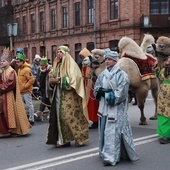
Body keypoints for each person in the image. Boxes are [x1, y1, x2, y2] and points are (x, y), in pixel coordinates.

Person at [94, 51, 138, 166]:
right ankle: (104, 152)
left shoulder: (122, 75)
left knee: (113, 133)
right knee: (104, 132)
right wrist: (99, 91)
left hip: (116, 110)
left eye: (109, 59)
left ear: (115, 60)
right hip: (104, 109)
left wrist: (107, 94)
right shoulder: (102, 74)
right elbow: (97, 87)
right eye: (106, 59)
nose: (107, 61)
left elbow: (121, 94)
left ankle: (111, 157)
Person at [46, 45, 89, 147]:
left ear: (65, 54)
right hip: (58, 95)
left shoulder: (71, 65)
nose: (58, 54)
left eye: (60, 52)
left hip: (69, 97)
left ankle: (80, 137)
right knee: (59, 117)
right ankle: (64, 140)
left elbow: (75, 79)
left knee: (69, 117)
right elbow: (52, 75)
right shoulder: (57, 64)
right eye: (57, 52)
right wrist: (51, 80)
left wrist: (60, 80)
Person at [0, 48, 31, 137]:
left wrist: (1, 88)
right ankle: (5, 130)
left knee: (11, 113)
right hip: (3, 95)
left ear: (8, 62)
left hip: (10, 96)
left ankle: (14, 130)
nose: (1, 62)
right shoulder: (3, 71)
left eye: (3, 61)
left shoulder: (11, 71)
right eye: (1, 61)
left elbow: (10, 83)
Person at [79, 48, 99, 129]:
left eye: (83, 56)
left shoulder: (92, 63)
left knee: (93, 104)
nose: (82, 58)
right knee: (87, 104)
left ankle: (96, 120)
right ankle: (90, 119)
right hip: (85, 84)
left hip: (91, 85)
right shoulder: (83, 64)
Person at [153, 57, 170, 144]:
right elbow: (159, 77)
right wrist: (156, 65)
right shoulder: (164, 69)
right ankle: (164, 134)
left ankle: (167, 136)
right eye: (168, 59)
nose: (168, 60)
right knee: (162, 114)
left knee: (168, 115)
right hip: (163, 96)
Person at [16, 53, 35, 125]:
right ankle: (23, 119)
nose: (17, 63)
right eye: (16, 62)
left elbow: (32, 79)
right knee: (22, 106)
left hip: (26, 91)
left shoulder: (27, 69)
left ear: (22, 61)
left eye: (18, 62)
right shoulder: (19, 69)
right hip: (21, 91)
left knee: (29, 105)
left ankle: (31, 119)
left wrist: (25, 86)